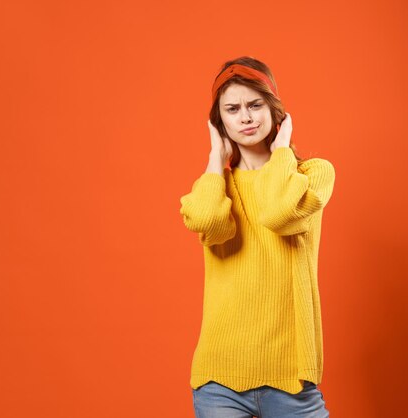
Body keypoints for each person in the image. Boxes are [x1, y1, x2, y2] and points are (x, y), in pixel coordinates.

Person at [179, 56, 335, 418]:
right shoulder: (216, 188)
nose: (246, 118)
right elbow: (206, 220)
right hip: (220, 380)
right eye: (232, 109)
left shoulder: (312, 174)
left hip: (292, 381)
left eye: (255, 105)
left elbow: (279, 213)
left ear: (274, 109)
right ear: (220, 122)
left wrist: (281, 152)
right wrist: (215, 159)